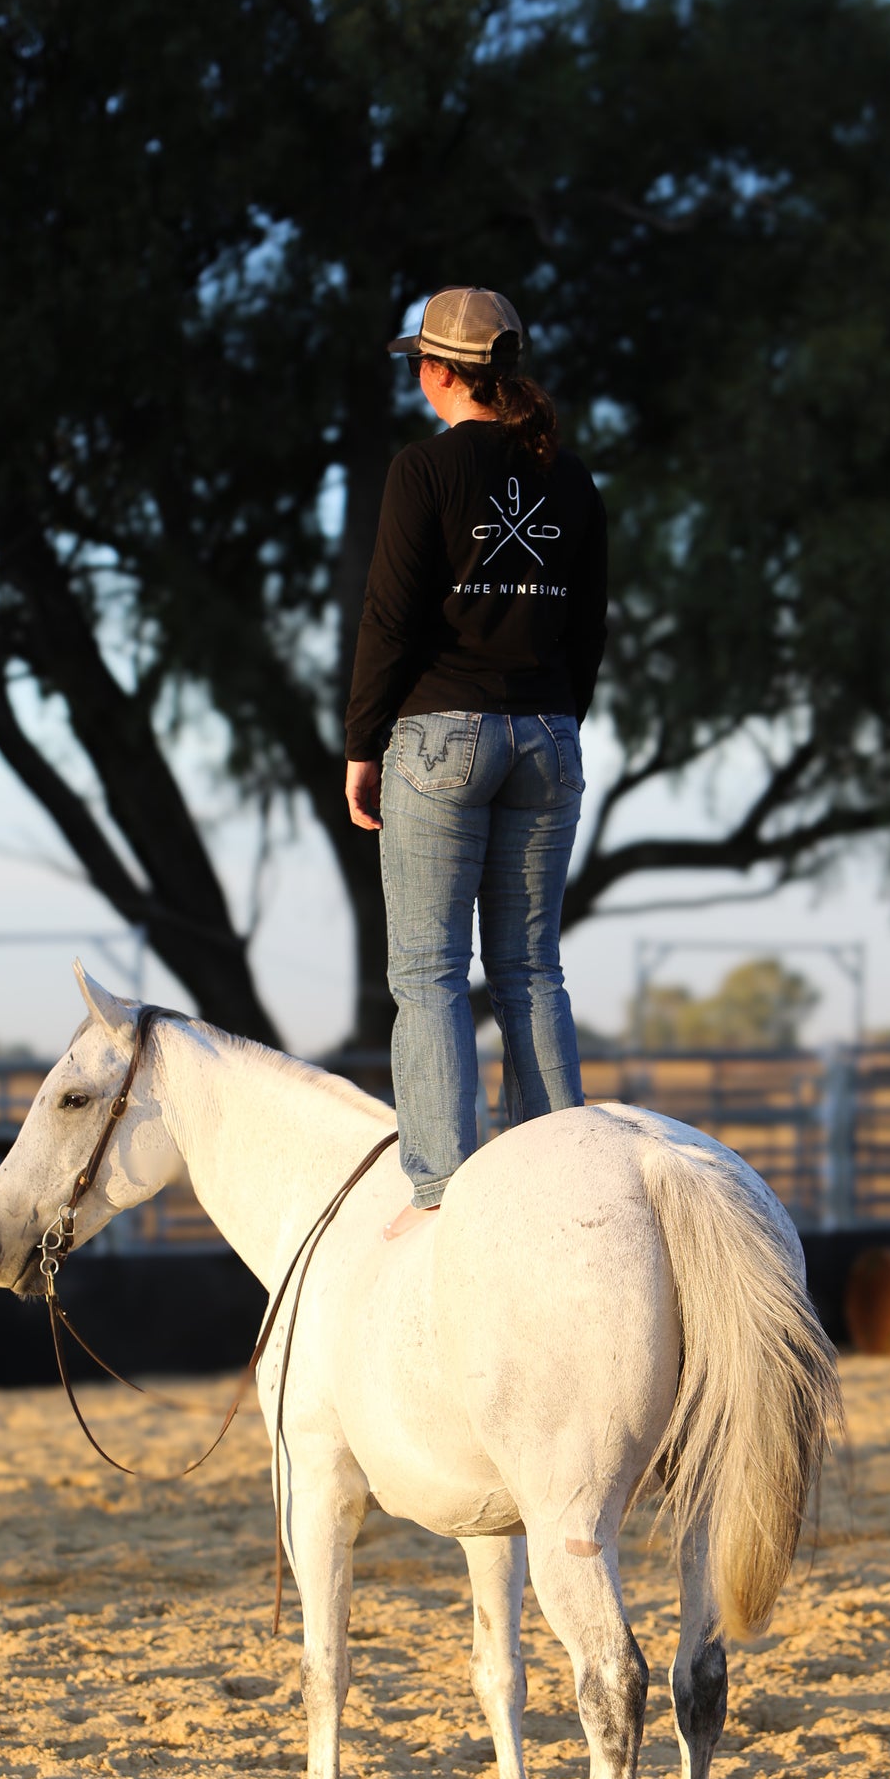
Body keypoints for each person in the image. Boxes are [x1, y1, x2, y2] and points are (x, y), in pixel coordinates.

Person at [344, 285, 608, 1240]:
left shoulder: (422, 470)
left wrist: (362, 743)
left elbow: (389, 618)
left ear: (441, 374)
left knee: (428, 976)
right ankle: (561, 1186)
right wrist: (552, 722)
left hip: (438, 736)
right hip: (548, 734)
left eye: (419, 360)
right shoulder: (571, 481)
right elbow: (589, 631)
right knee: (530, 970)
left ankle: (444, 1202)